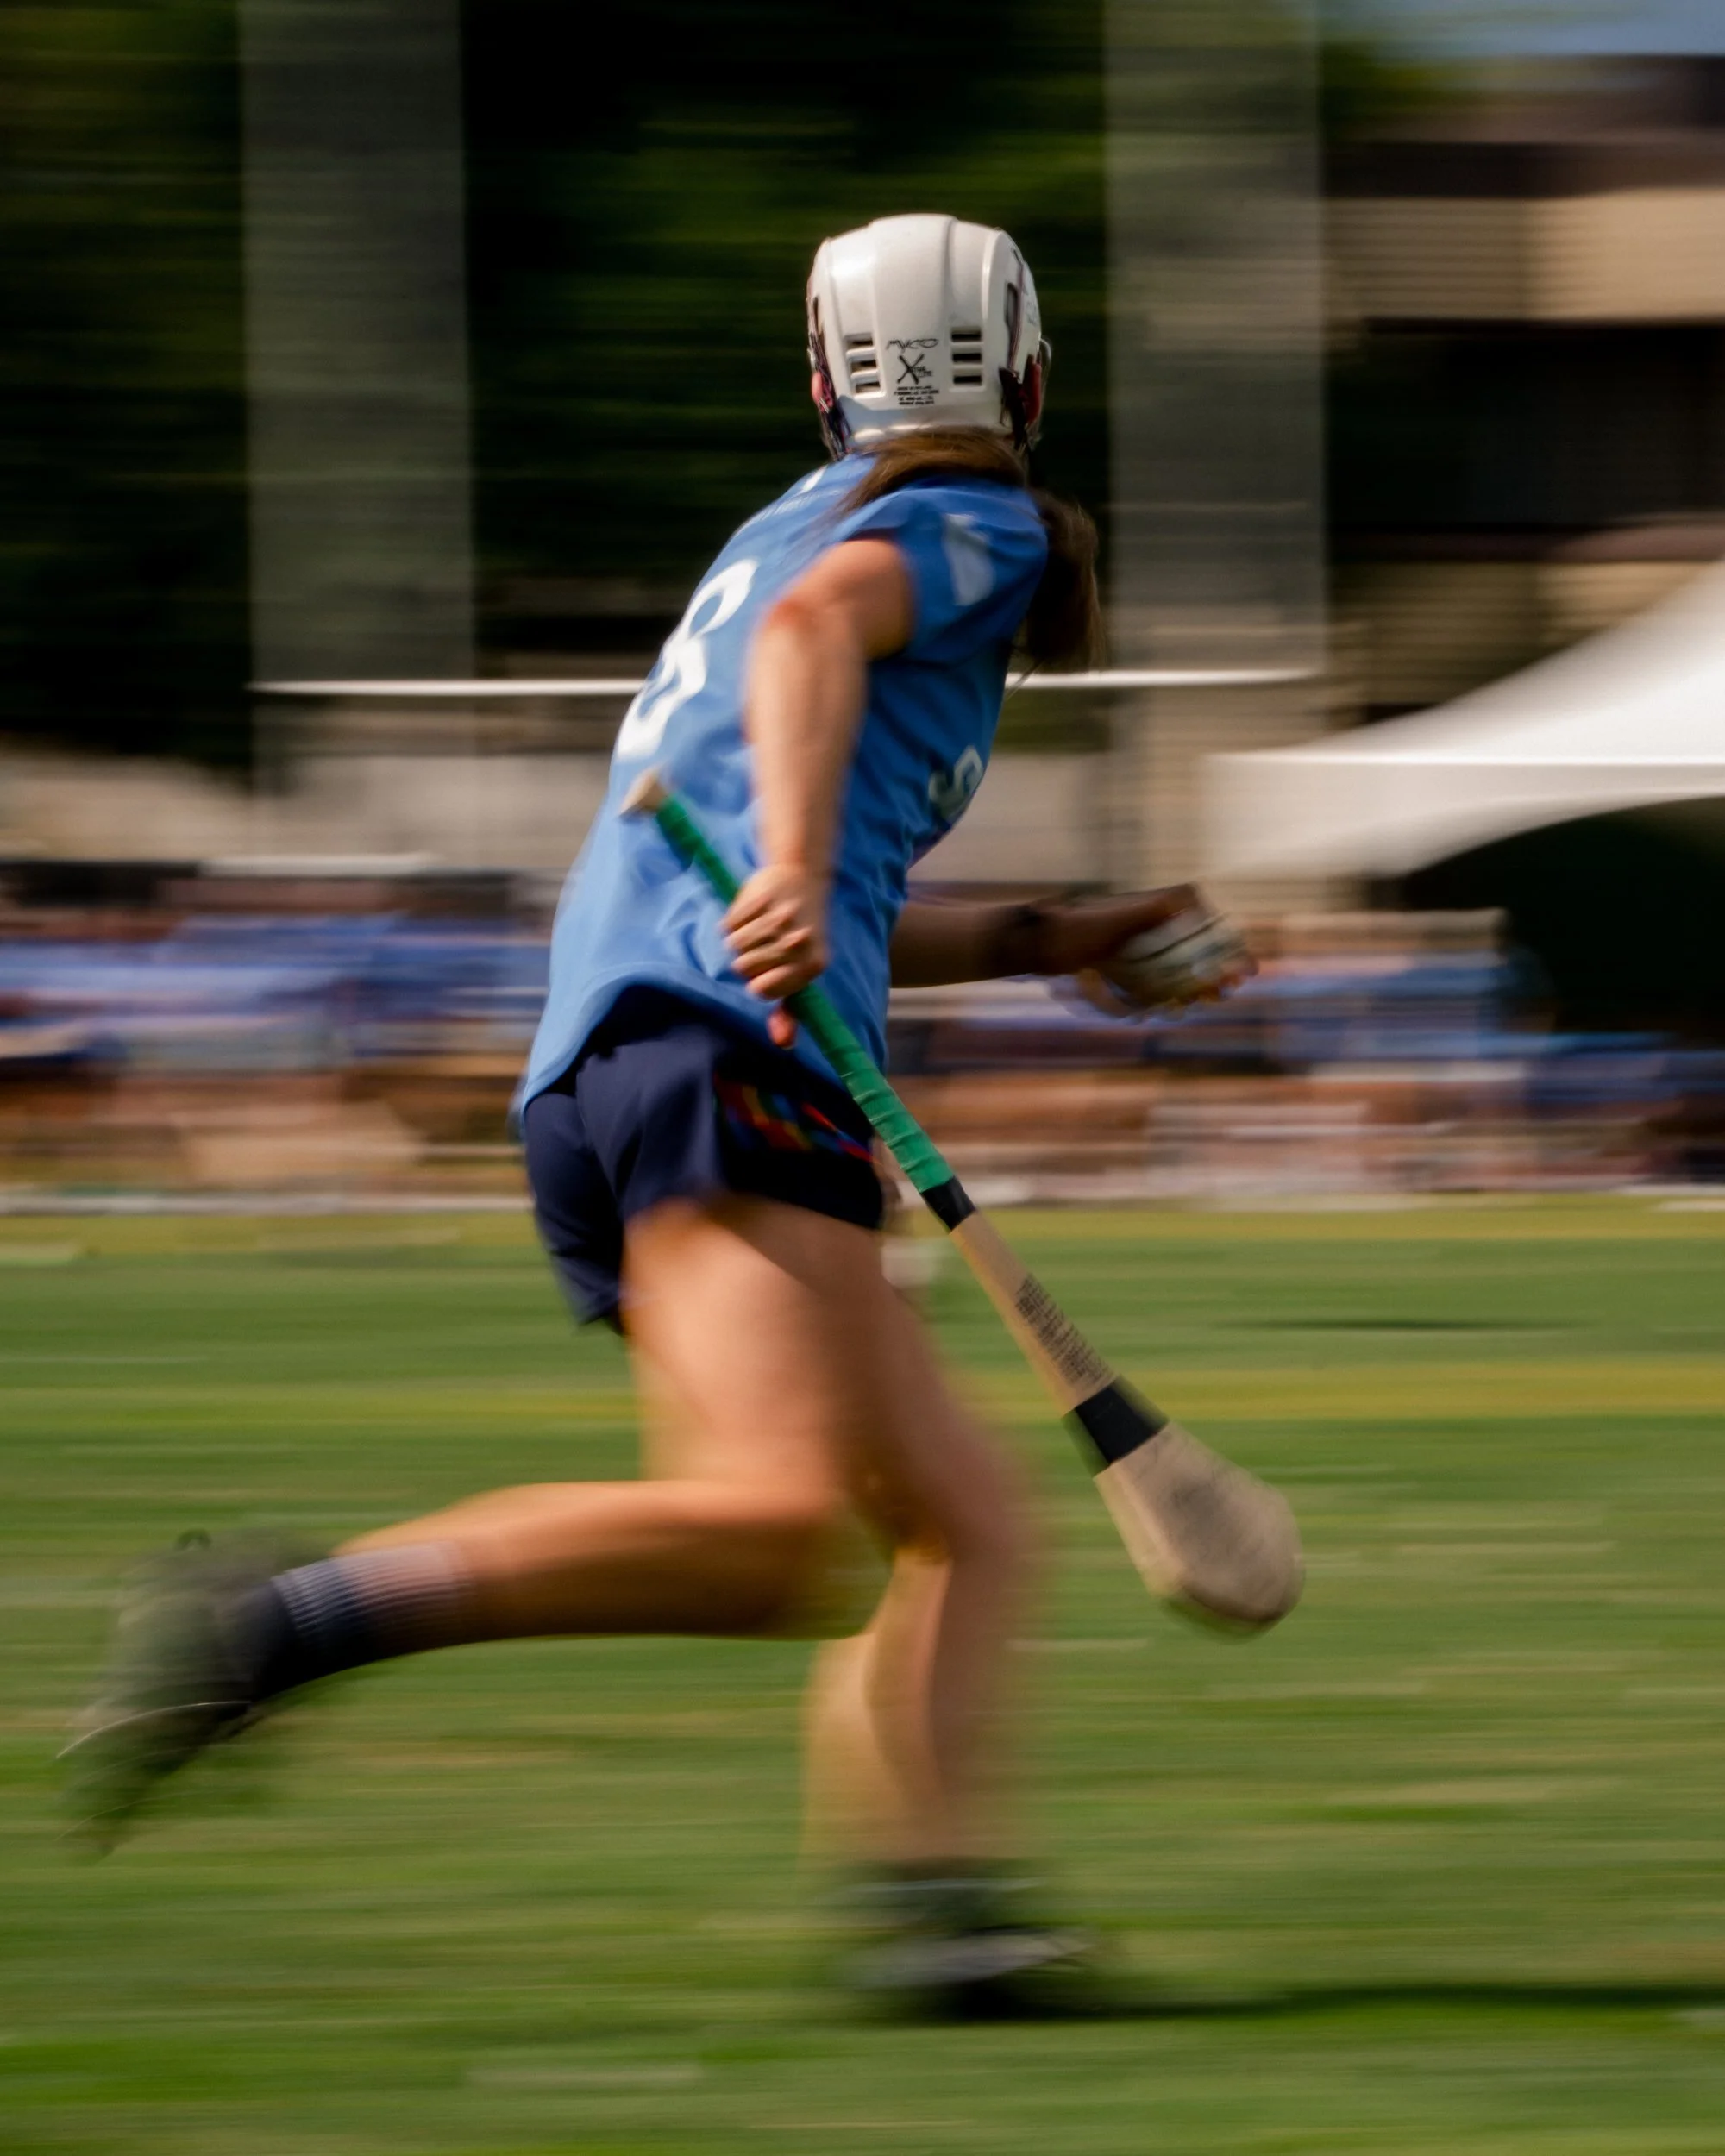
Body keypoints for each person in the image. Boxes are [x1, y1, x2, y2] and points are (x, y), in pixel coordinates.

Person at [67, 214, 1246, 2013]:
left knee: (962, 1519)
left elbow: (830, 877)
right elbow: (807, 658)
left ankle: (945, 1927)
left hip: (652, 1055)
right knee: (770, 1533)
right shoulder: (953, 531)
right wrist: (784, 859)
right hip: (716, 1060)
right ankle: (279, 1619)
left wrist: (1052, 933)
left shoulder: (790, 523)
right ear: (1023, 371)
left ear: (823, 375)